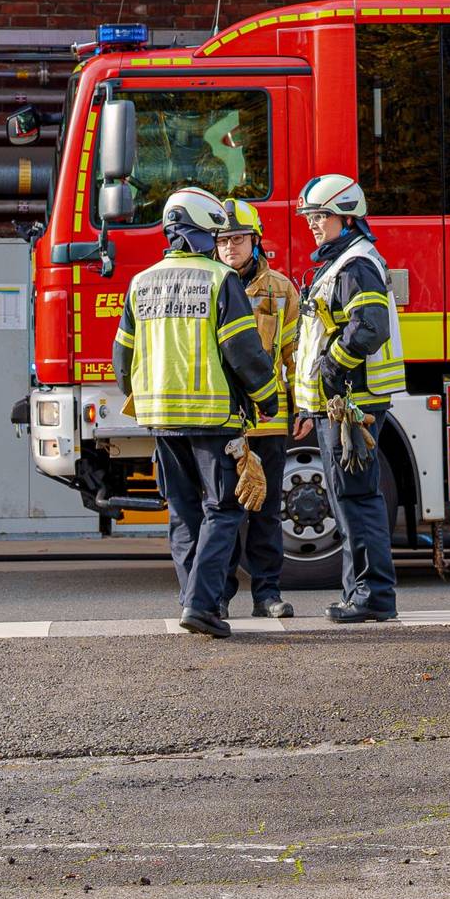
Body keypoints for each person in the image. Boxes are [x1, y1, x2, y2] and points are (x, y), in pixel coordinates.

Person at [114, 187, 280, 639]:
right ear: (202, 232)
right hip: (213, 418)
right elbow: (245, 352)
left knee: (184, 514)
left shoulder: (141, 281)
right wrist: (267, 398)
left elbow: (121, 360)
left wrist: (143, 396)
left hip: (162, 422)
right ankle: (203, 606)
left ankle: (191, 598)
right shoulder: (219, 280)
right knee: (224, 509)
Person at [292, 173, 407, 623]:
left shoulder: (355, 265)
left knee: (357, 499)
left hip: (352, 403)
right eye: (310, 216)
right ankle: (357, 592)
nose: (313, 224)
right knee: (349, 498)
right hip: (340, 403)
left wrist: (333, 366)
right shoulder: (340, 263)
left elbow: (370, 328)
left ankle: (374, 595)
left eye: (321, 216)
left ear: (347, 217)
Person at [214, 198, 301, 620]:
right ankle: (220, 596)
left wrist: (302, 407)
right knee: (225, 513)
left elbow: (293, 354)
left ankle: (267, 594)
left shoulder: (281, 290)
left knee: (266, 513)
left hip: (268, 421)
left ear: (255, 240)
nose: (230, 246)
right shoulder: (210, 284)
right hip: (223, 420)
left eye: (238, 238)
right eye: (222, 239)